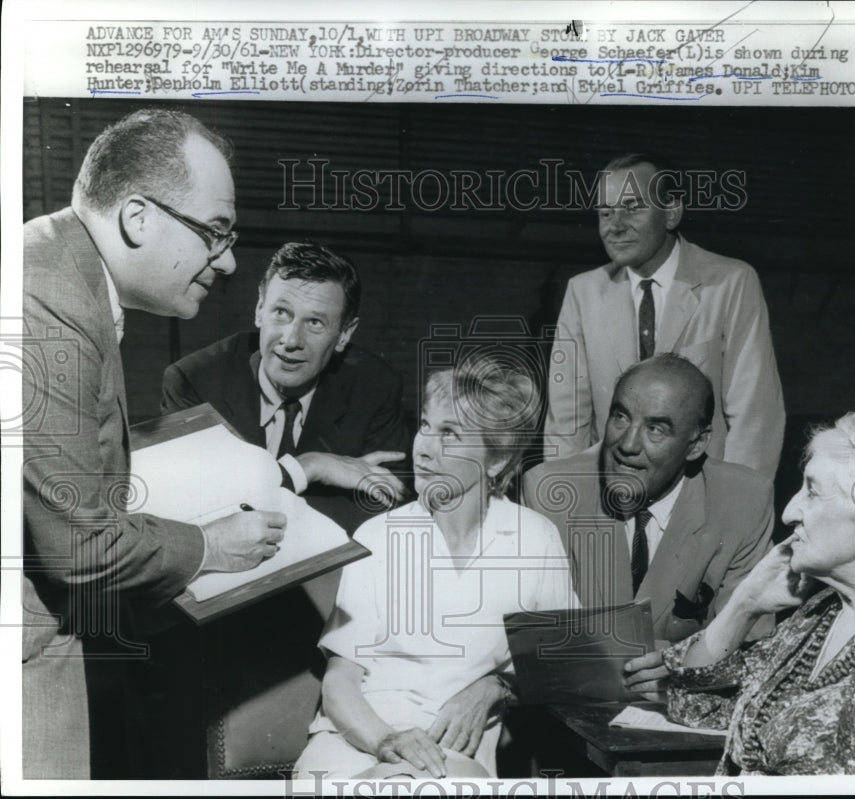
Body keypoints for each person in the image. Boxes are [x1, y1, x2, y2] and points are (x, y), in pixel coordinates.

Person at [21, 108, 285, 778]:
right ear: (138, 218)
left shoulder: (64, 273)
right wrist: (211, 543)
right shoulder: (45, 298)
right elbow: (79, 546)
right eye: (215, 233)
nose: (227, 261)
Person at [624, 412, 855, 775]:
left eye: (812, 491)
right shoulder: (821, 614)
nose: (789, 513)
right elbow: (698, 703)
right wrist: (745, 604)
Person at [294, 354, 578, 779]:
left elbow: (562, 664)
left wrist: (498, 687)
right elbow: (339, 684)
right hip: (358, 740)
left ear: (496, 460)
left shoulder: (535, 539)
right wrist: (387, 742)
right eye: (425, 425)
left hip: (453, 754)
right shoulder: (379, 536)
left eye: (450, 433)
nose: (424, 446)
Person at [544, 153, 785, 479]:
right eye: (605, 212)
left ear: (671, 213)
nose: (615, 225)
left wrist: (734, 510)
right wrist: (568, 507)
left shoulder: (731, 282)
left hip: (703, 498)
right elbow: (566, 421)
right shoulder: (583, 292)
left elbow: (756, 415)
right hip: (614, 500)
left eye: (632, 208)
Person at [161, 241, 409, 534]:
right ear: (259, 310)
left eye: (315, 322)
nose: (291, 340)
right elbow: (188, 509)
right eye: (281, 313)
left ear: (344, 334)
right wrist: (308, 467)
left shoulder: (375, 387)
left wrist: (254, 494)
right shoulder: (195, 381)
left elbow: (385, 512)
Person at [525, 353, 774, 643]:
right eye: (620, 417)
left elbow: (752, 645)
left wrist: (674, 667)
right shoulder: (549, 491)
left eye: (656, 429)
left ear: (696, 444)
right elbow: (539, 642)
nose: (627, 445)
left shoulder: (744, 501)